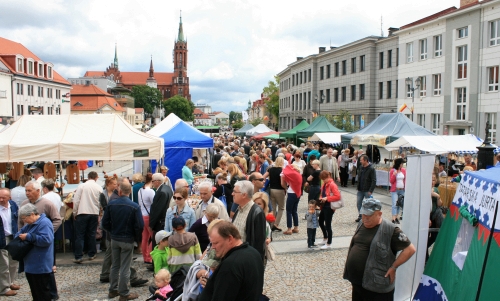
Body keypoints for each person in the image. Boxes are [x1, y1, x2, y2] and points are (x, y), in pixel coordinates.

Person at [344, 198, 416, 300]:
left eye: (369, 215)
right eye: (363, 214)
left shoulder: (391, 230)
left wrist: (394, 267)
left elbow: (410, 249)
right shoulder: (361, 223)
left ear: (379, 214)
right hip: (357, 283)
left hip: (377, 286)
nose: (365, 218)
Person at [198, 221, 264, 301]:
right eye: (211, 243)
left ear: (230, 238)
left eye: (215, 243)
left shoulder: (230, 265)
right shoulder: (254, 252)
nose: (213, 248)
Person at [101, 180, 144, 301]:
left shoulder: (111, 204)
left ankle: (113, 290)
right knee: (125, 266)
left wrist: (112, 231)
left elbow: (104, 223)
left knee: (115, 265)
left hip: (114, 238)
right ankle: (124, 293)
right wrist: (136, 239)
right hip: (127, 239)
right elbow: (139, 226)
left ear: (119, 191)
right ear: (130, 191)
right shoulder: (134, 207)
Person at [19, 181, 61, 300]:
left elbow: (57, 220)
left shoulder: (47, 204)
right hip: (29, 245)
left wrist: (46, 232)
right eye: (26, 191)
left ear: (38, 191)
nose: (27, 193)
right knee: (34, 280)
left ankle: (52, 295)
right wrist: (21, 235)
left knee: (45, 273)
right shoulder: (24, 204)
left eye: (29, 190)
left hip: (43, 245)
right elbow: (20, 223)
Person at [16, 203, 54, 301]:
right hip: (31, 265)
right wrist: (23, 236)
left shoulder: (44, 223)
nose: (24, 221)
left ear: (32, 214)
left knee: (43, 292)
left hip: (40, 265)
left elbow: (46, 240)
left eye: (24, 218)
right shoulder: (29, 224)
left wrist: (28, 237)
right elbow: (18, 234)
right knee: (35, 292)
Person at [72, 171, 102, 263]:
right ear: (96, 177)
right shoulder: (99, 187)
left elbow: (76, 200)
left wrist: (75, 212)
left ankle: (78, 256)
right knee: (92, 234)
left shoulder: (82, 186)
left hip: (82, 212)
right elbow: (101, 202)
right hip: (94, 212)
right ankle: (91, 253)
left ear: (88, 177)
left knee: (80, 235)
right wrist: (99, 212)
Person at [231, 180, 266, 259]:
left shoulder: (257, 212)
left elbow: (259, 243)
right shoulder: (238, 209)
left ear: (244, 195)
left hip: (246, 259)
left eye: (234, 192)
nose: (232, 194)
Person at [0, 188, 19, 297]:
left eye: (4, 197)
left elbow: (17, 219)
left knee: (14, 262)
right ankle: (4, 288)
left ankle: (10, 282)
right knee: (4, 264)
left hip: (13, 236)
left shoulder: (13, 205)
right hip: (2, 238)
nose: (1, 199)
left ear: (9, 198)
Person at [149, 173, 173, 250]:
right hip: (164, 220)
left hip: (160, 223)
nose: (152, 183)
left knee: (158, 244)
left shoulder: (161, 192)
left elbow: (157, 210)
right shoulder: (167, 188)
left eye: (152, 181)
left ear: (157, 182)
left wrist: (151, 224)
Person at [318, 171, 341, 249]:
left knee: (328, 225)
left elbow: (337, 196)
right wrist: (321, 198)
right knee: (320, 221)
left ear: (328, 177)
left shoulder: (332, 185)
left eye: (324, 179)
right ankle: (325, 238)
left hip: (330, 207)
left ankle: (329, 243)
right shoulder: (324, 184)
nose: (323, 180)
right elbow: (322, 193)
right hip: (324, 206)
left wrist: (327, 198)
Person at [263, 157, 285, 232]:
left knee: (273, 208)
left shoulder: (270, 169)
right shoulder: (282, 170)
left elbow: (263, 176)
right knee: (281, 208)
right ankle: (276, 224)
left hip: (272, 189)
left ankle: (271, 224)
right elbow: (283, 182)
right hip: (280, 190)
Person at [138, 173, 155, 264]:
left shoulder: (140, 190)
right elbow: (154, 204)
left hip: (142, 215)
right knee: (154, 238)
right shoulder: (151, 192)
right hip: (149, 216)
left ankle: (145, 256)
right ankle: (149, 256)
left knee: (144, 237)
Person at [281, 164, 303, 235]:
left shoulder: (291, 174)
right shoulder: (298, 174)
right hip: (298, 193)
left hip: (291, 193)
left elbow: (283, 181)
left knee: (289, 211)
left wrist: (285, 188)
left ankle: (289, 229)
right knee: (294, 211)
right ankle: (296, 227)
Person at [355, 155, 376, 223]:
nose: (360, 161)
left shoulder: (371, 169)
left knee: (369, 204)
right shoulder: (361, 167)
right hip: (360, 189)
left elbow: (374, 180)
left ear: (365, 160)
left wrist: (371, 190)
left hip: (367, 190)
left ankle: (368, 217)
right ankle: (361, 216)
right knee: (359, 203)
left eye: (361, 160)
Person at [389, 158, 406, 224]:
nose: (402, 165)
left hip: (402, 190)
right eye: (402, 163)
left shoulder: (403, 170)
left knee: (399, 204)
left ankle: (396, 217)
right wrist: (394, 174)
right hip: (395, 190)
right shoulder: (393, 170)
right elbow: (391, 181)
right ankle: (393, 218)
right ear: (399, 164)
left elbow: (405, 179)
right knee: (394, 204)